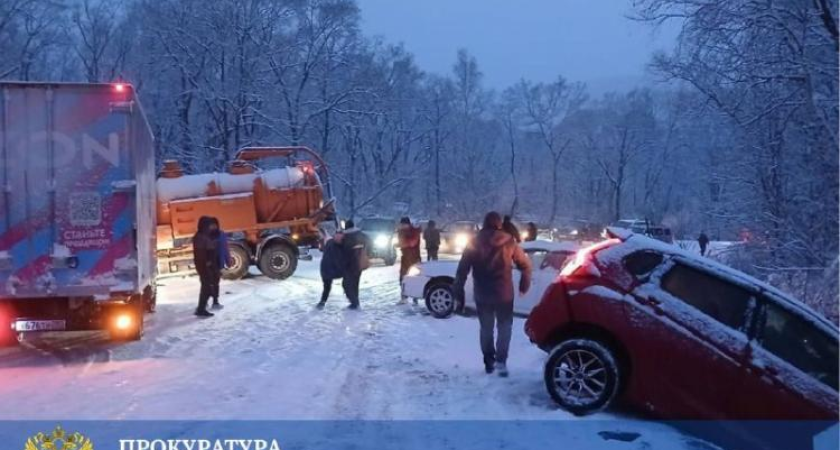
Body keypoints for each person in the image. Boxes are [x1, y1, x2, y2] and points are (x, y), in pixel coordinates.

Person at [454, 211, 531, 377]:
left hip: (483, 294)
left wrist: (458, 290)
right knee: (505, 328)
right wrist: (524, 283)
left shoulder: (473, 242)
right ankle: (501, 362)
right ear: (499, 224)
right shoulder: (509, 241)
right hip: (504, 293)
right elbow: (525, 265)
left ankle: (489, 362)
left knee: (486, 328)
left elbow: (462, 270)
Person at [193, 216, 220, 317]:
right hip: (204, 266)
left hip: (205, 265)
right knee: (206, 287)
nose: (210, 227)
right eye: (208, 225)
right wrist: (207, 263)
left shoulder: (203, 235)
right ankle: (201, 309)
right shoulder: (200, 237)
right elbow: (202, 253)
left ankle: (201, 308)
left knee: (207, 286)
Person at [340, 219, 371, 309]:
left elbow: (343, 249)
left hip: (349, 263)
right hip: (359, 262)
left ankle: (354, 302)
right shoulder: (362, 235)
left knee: (347, 283)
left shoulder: (345, 237)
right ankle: (355, 301)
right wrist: (366, 254)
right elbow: (370, 243)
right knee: (355, 282)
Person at [317, 232, 346, 309]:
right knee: (347, 279)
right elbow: (338, 261)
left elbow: (323, 250)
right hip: (330, 269)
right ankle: (349, 295)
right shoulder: (340, 247)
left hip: (324, 268)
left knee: (326, 287)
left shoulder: (329, 242)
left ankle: (322, 301)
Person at [210, 218, 229, 310]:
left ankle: (215, 302)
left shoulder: (221, 234)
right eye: (211, 225)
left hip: (217, 262)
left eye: (214, 225)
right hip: (208, 263)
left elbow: (225, 248)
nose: (213, 226)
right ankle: (205, 302)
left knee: (215, 283)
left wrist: (228, 260)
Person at [397, 217, 421, 282]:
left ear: (408, 224)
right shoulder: (401, 232)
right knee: (403, 278)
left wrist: (403, 243)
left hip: (414, 258)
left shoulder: (414, 231)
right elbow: (401, 242)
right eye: (401, 225)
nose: (402, 226)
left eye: (403, 225)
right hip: (405, 258)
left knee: (414, 278)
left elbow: (413, 242)